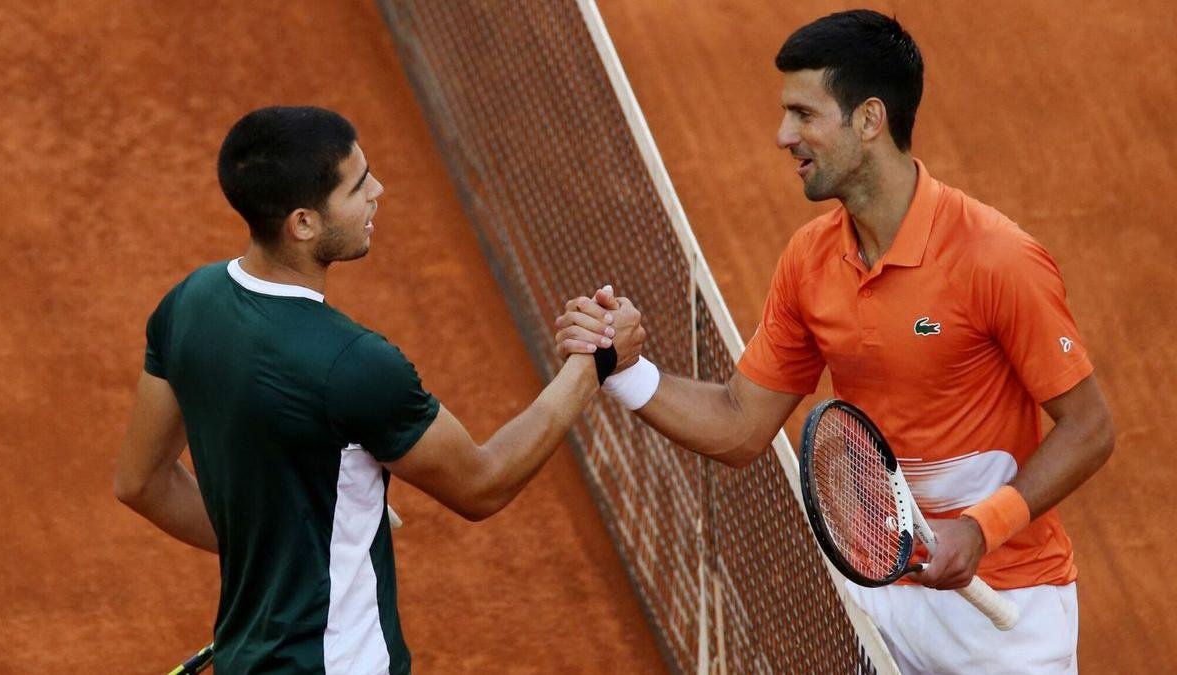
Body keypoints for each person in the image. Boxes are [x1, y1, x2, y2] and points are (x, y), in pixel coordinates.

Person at [555, 10, 1113, 674]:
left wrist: (981, 526)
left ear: (869, 120)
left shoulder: (995, 258)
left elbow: (1089, 427)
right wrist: (622, 370)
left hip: (1010, 612)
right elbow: (740, 423)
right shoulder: (809, 260)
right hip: (880, 602)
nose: (783, 135)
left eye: (804, 114)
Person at [114, 106, 643, 674]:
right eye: (358, 187)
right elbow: (482, 484)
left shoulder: (189, 304)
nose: (378, 192)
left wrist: (291, 551)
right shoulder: (353, 364)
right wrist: (593, 365)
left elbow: (142, 482)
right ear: (303, 224)